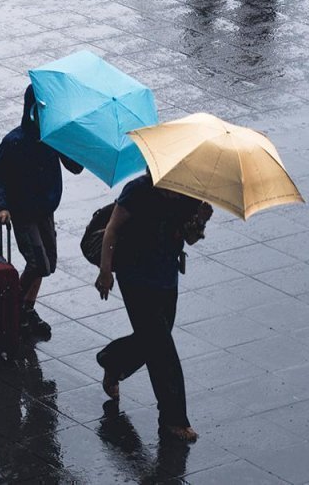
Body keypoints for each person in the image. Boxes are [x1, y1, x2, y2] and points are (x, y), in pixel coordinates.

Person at [94, 171, 210, 443]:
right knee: (162, 349)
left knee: (155, 338)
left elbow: (189, 237)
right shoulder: (137, 191)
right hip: (135, 277)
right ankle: (173, 419)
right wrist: (105, 270)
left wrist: (200, 220)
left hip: (166, 277)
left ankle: (113, 360)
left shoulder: (187, 193)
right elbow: (113, 228)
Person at [0, 84, 83, 340]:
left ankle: (26, 308)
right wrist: (2, 205)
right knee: (38, 263)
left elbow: (75, 166)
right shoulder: (14, 142)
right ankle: (13, 306)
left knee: (47, 264)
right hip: (24, 214)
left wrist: (73, 141)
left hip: (45, 211)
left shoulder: (52, 139)